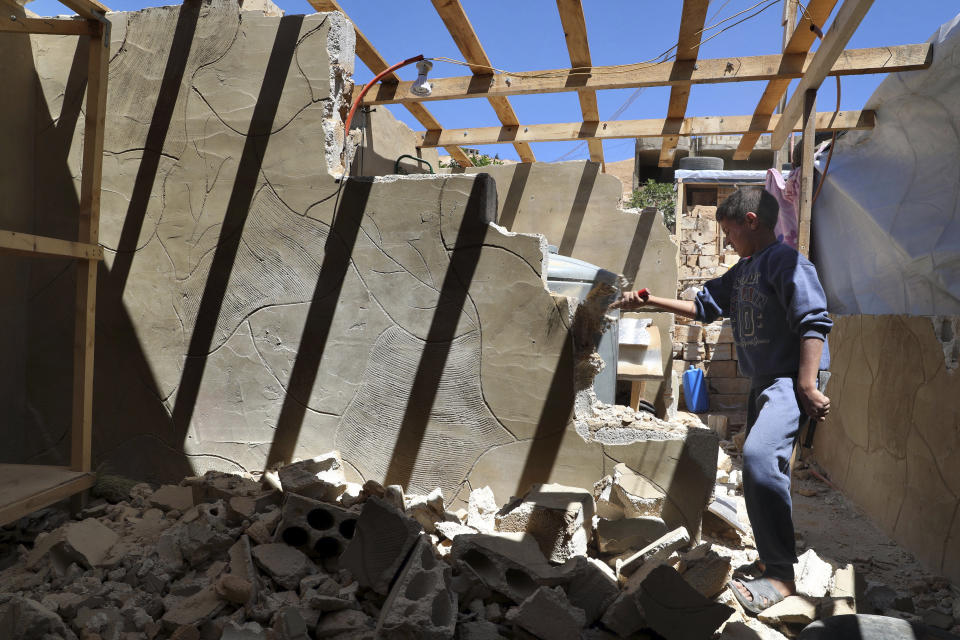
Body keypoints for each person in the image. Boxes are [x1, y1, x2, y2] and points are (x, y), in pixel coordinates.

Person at [612, 187, 832, 614]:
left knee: (759, 459)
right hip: (762, 382)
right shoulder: (746, 269)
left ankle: (782, 578)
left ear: (751, 221)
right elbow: (705, 306)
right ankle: (772, 558)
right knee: (763, 469)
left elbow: (814, 320)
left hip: (786, 381)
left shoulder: (786, 262)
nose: (727, 242)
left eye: (729, 233)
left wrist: (806, 384)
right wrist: (651, 301)